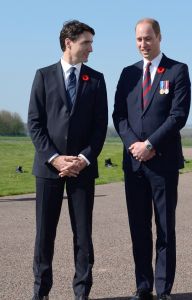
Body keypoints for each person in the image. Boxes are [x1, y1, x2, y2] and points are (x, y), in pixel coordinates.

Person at [28, 20, 108, 300]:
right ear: (68, 43)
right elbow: (34, 124)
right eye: (86, 43)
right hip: (49, 169)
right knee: (44, 235)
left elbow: (100, 127)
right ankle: (41, 292)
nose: (91, 49)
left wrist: (82, 159)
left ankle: (82, 292)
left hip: (82, 170)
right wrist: (55, 158)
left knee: (83, 236)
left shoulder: (96, 79)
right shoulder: (43, 76)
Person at [113, 18, 190, 300]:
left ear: (159, 37)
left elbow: (178, 115)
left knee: (165, 227)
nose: (143, 45)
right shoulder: (127, 73)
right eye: (138, 40)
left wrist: (151, 143)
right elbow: (118, 115)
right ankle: (143, 286)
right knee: (139, 227)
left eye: (148, 38)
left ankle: (164, 288)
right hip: (134, 163)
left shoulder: (178, 71)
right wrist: (135, 144)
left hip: (163, 162)